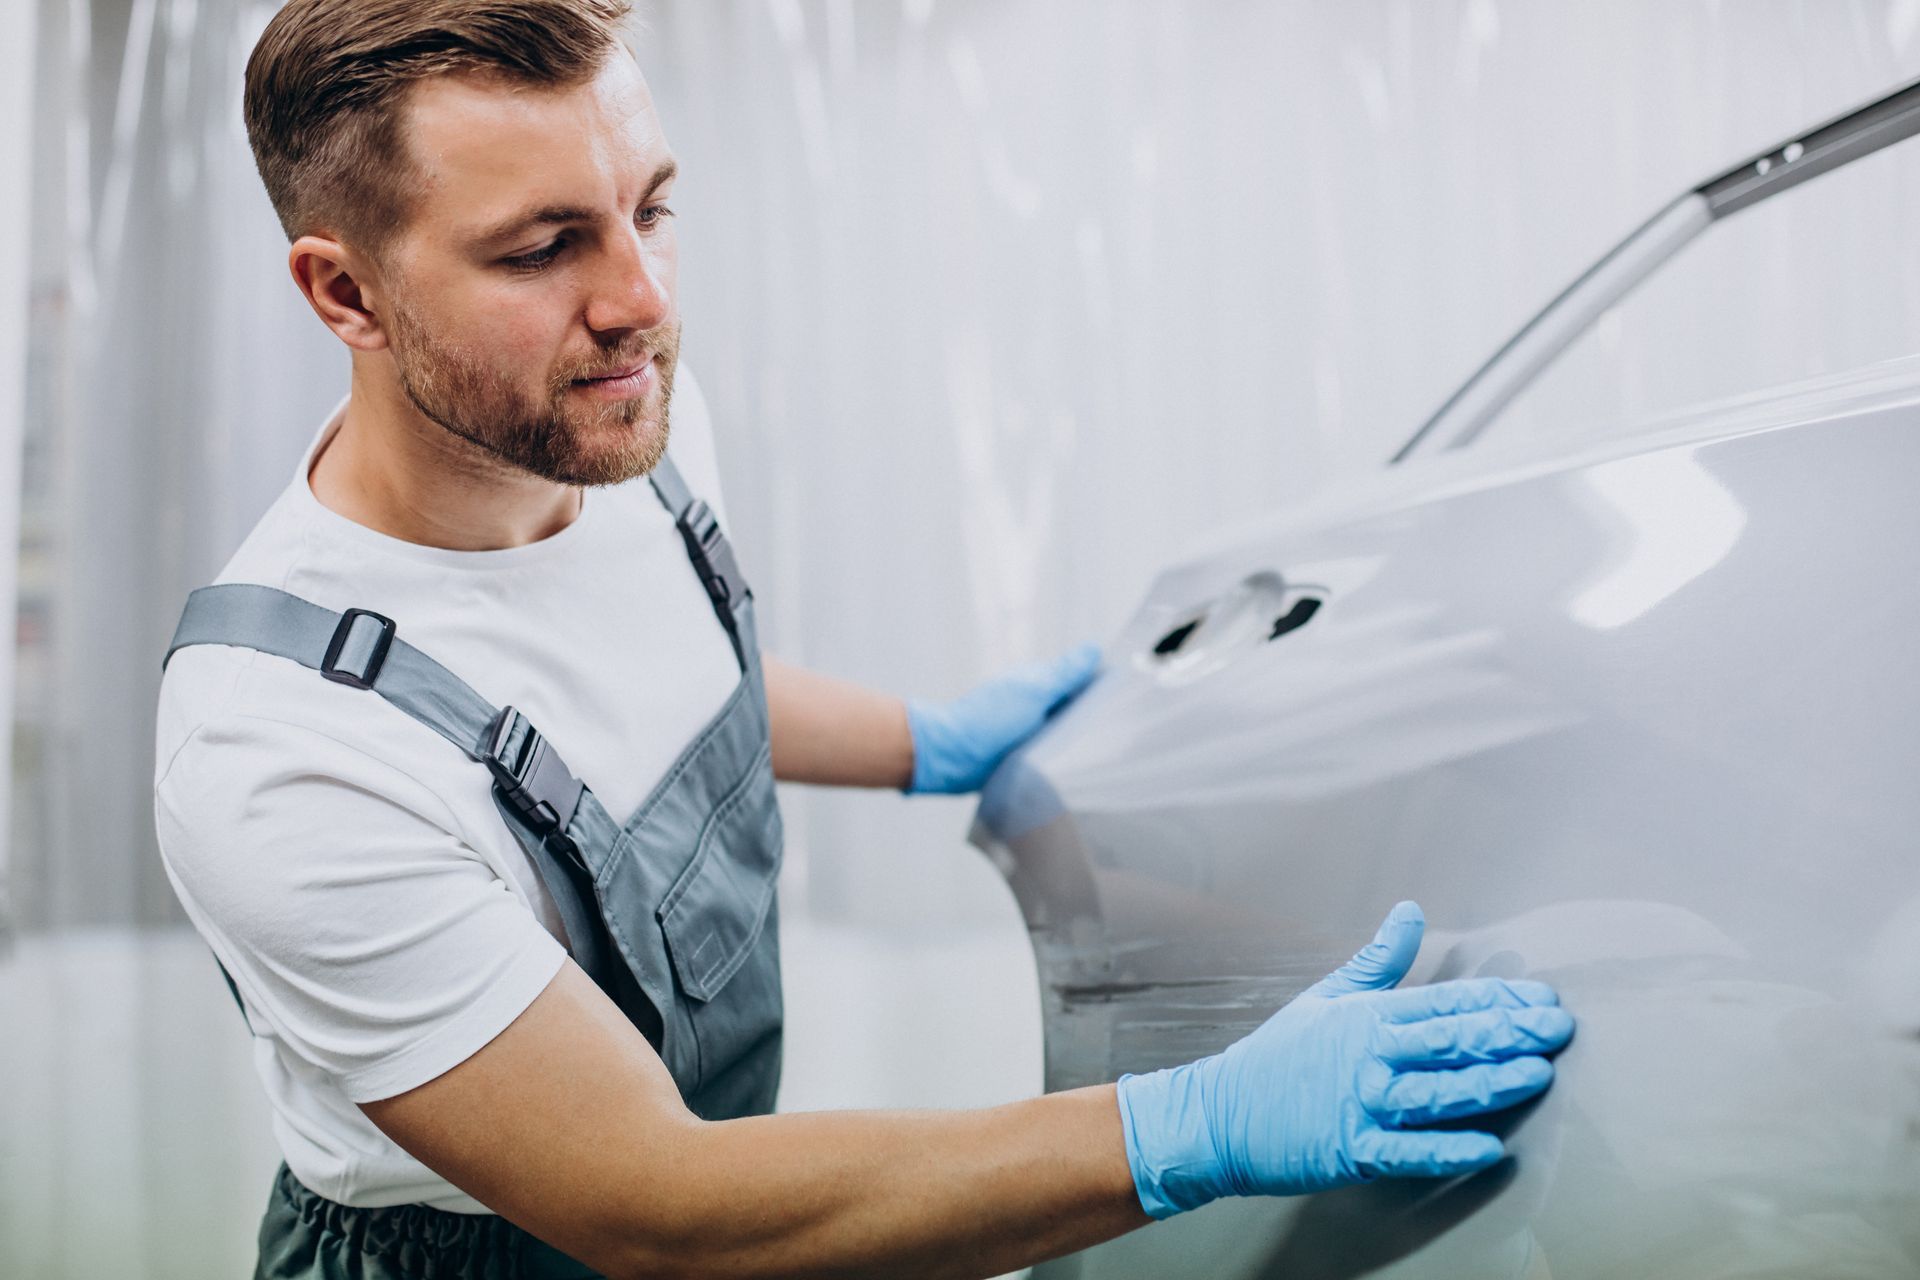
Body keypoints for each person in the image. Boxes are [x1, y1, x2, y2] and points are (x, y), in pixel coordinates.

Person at [152, 2, 1576, 1276]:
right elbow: (655, 1206)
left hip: (696, 1191)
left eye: (650, 209)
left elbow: (627, 700)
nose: (641, 304)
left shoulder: (611, 424)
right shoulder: (281, 751)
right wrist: (1186, 1130)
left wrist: (927, 744)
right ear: (346, 296)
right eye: (544, 247)